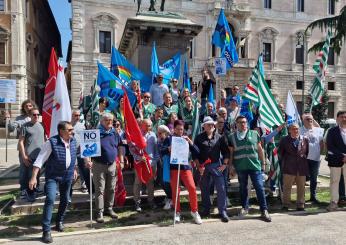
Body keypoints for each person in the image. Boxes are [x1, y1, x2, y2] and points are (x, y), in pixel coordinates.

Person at [28, 121, 78, 243]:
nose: (73, 131)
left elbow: (73, 155)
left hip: (67, 176)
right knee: (50, 199)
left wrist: (75, 169)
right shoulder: (51, 143)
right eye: (70, 130)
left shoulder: (73, 141)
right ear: (61, 131)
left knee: (65, 199)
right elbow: (39, 161)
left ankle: (59, 221)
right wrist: (34, 177)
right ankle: (46, 230)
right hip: (53, 177)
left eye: (72, 129)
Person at [228, 115, 271, 222]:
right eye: (240, 122)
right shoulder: (232, 137)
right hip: (241, 167)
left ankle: (264, 210)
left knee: (259, 188)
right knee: (243, 188)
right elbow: (231, 153)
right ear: (236, 124)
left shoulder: (254, 133)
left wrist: (263, 163)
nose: (243, 124)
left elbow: (260, 149)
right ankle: (245, 208)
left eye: (244, 122)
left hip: (254, 166)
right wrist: (231, 167)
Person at [84, 113, 124, 223]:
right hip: (99, 165)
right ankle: (99, 212)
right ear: (102, 121)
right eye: (107, 120)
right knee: (100, 190)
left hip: (112, 165)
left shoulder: (114, 133)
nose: (109, 122)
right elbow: (87, 148)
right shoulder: (95, 133)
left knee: (111, 188)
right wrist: (88, 160)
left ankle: (109, 209)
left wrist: (121, 160)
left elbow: (120, 146)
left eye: (111, 120)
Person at [163, 120, 202, 224]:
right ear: (174, 129)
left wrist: (190, 141)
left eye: (182, 129)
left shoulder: (185, 138)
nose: (180, 131)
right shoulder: (169, 139)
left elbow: (197, 151)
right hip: (174, 168)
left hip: (185, 167)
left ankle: (194, 211)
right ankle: (177, 212)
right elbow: (161, 151)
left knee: (192, 188)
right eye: (178, 129)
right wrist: (168, 149)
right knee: (176, 191)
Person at [193, 116, 230, 222]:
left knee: (221, 188)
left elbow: (226, 152)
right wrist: (199, 166)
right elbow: (195, 154)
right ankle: (206, 209)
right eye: (208, 124)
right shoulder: (198, 138)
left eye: (212, 124)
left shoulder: (220, 137)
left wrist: (224, 164)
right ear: (204, 126)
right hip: (203, 167)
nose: (211, 125)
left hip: (216, 166)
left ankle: (222, 211)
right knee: (204, 189)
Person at [279, 123, 309, 211]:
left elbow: (307, 152)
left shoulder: (305, 139)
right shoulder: (284, 140)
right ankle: (285, 205)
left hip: (301, 167)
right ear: (289, 130)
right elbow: (280, 153)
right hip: (289, 167)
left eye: (297, 129)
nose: (295, 130)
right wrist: (287, 160)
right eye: (293, 129)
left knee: (301, 187)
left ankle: (300, 205)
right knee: (287, 187)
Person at [131, 119, 159, 212]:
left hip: (151, 163)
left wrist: (155, 160)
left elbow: (156, 149)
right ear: (142, 125)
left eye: (150, 125)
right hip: (140, 162)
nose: (148, 127)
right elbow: (132, 149)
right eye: (146, 125)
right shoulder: (137, 135)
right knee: (138, 182)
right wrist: (138, 157)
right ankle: (136, 202)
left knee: (150, 183)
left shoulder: (153, 135)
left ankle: (151, 201)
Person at [18, 108, 44, 202]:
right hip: (29, 156)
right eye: (34, 114)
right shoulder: (25, 126)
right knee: (28, 176)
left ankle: (34, 191)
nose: (36, 116)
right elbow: (21, 142)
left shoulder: (41, 125)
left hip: (39, 156)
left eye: (38, 114)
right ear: (30, 116)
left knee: (36, 175)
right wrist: (24, 156)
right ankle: (28, 194)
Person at [299, 113, 324, 203]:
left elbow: (321, 143)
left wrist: (319, 153)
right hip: (303, 159)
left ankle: (313, 196)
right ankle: (301, 197)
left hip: (315, 158)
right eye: (308, 119)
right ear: (303, 121)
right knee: (302, 178)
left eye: (311, 119)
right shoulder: (299, 130)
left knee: (314, 178)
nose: (310, 121)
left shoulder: (318, 130)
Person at [326, 111, 346, 211]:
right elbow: (330, 146)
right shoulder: (332, 131)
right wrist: (343, 155)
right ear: (337, 118)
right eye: (342, 117)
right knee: (334, 181)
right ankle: (334, 202)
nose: (344, 119)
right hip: (335, 160)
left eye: (345, 117)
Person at [71, 110, 90, 194]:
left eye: (79, 115)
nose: (77, 117)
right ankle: (69, 188)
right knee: (72, 170)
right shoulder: (68, 125)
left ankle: (84, 185)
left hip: (81, 151)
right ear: (72, 115)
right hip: (71, 151)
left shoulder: (82, 126)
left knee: (84, 169)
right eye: (75, 115)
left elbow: (85, 138)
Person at [157, 125, 173, 210]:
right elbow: (162, 151)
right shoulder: (160, 140)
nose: (158, 134)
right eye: (158, 133)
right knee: (162, 182)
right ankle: (169, 197)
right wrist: (166, 150)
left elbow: (166, 151)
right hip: (162, 163)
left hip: (168, 163)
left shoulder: (169, 139)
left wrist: (166, 150)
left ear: (165, 133)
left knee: (166, 182)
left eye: (160, 133)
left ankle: (171, 199)